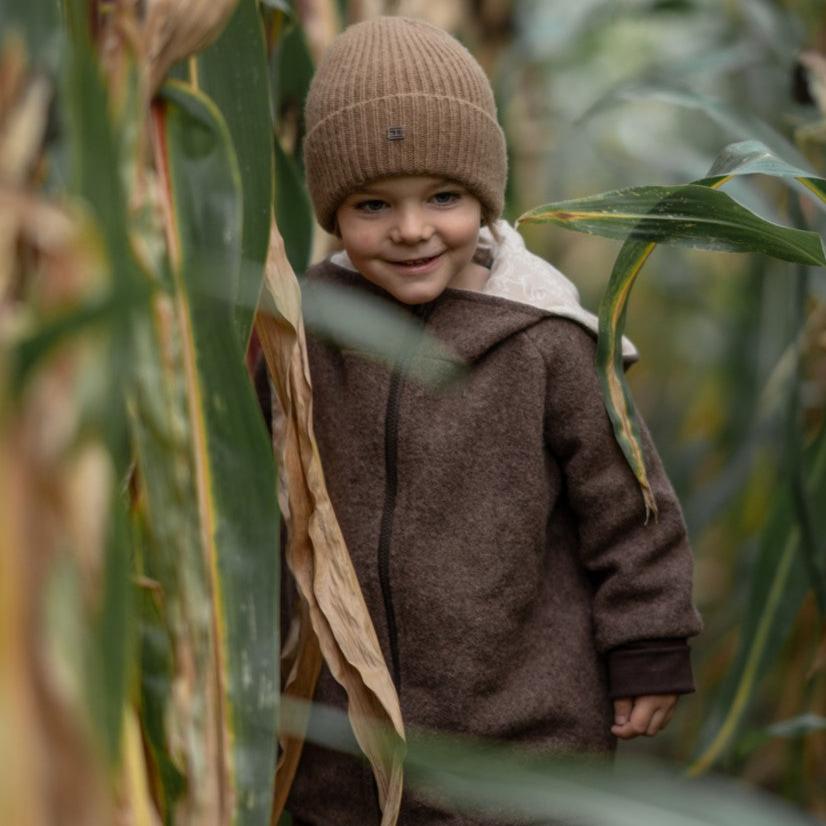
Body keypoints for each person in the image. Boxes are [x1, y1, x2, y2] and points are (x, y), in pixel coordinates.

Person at [262, 15, 702, 826]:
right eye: (371, 204)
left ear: (484, 197)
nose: (412, 229)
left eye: (443, 196)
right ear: (332, 211)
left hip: (524, 742)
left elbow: (630, 507)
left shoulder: (548, 341)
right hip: (341, 757)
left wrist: (648, 646)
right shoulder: (299, 334)